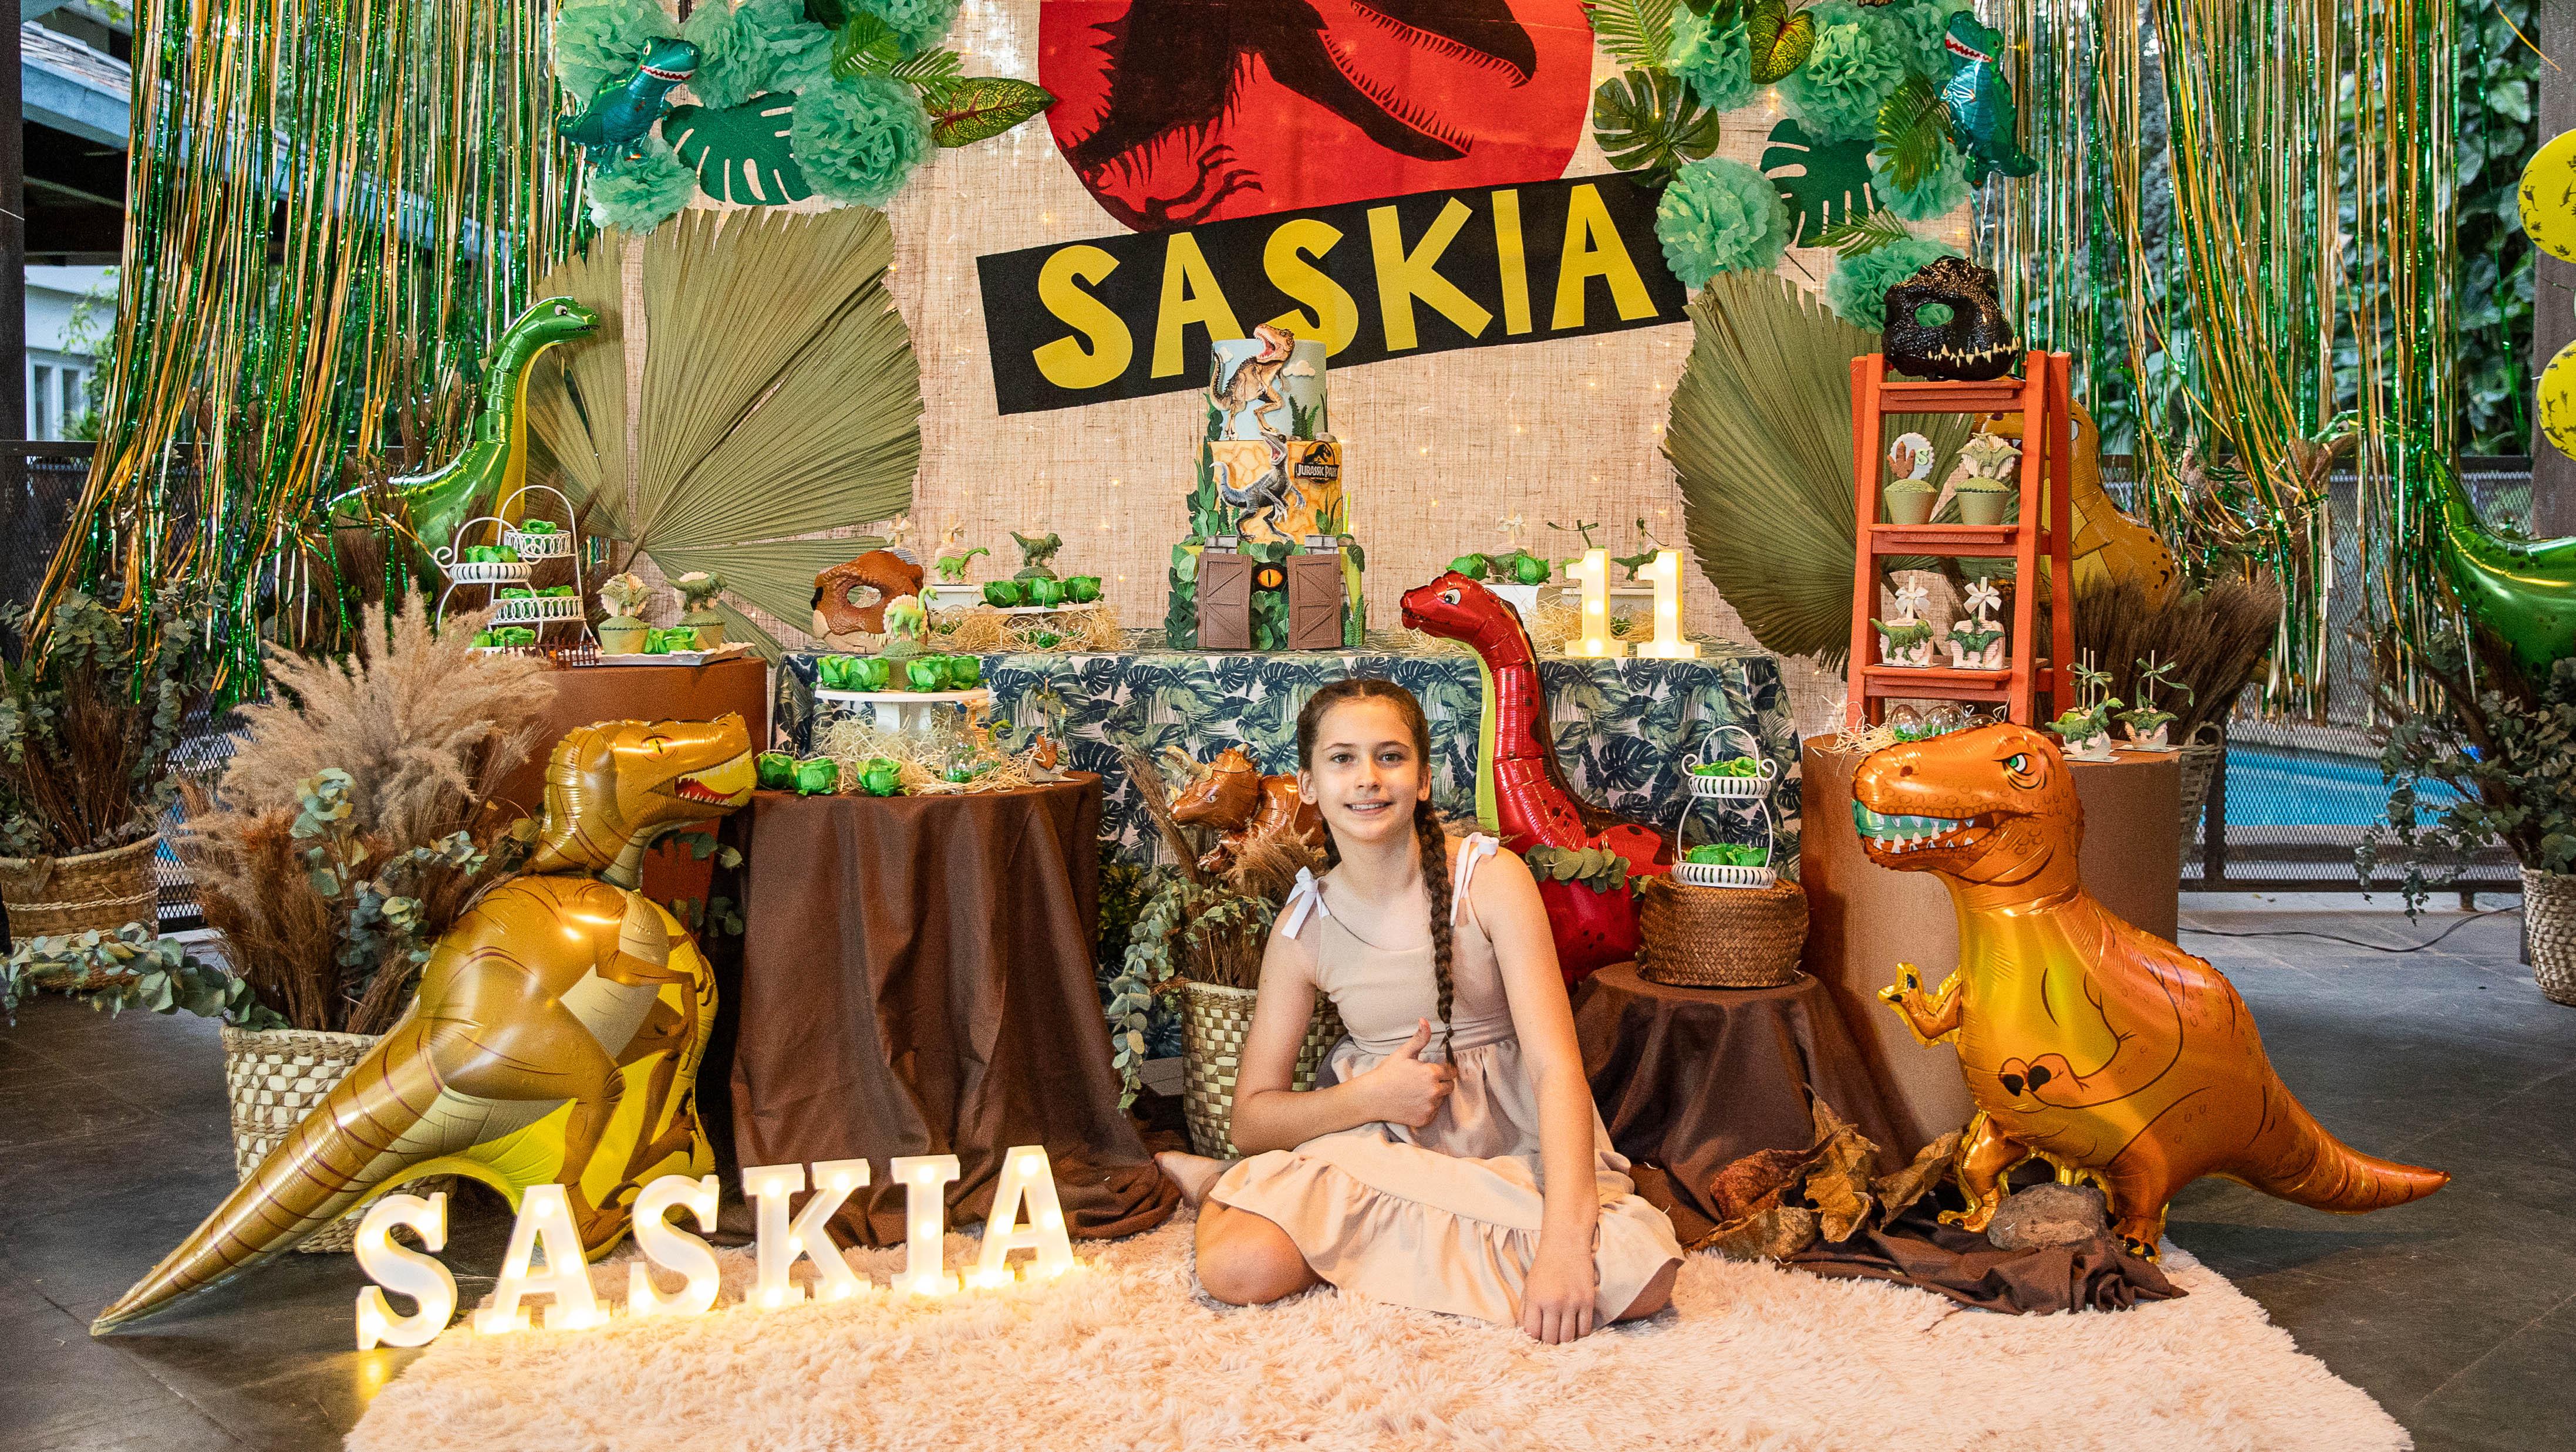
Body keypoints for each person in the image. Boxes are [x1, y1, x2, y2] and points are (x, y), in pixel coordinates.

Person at [1156, 678, 1683, 1343]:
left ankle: (1280, 1201)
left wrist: (1564, 1243)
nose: (1367, 778)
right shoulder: (1304, 925)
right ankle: (1225, 1186)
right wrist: (1373, 1096)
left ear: (1424, 778)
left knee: (1640, 1277)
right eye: (1342, 758)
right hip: (1379, 1143)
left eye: (1390, 756)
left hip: (1512, 1144)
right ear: (1309, 784)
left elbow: (1556, 1070)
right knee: (1239, 1266)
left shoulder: (1490, 880)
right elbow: (1252, 1118)